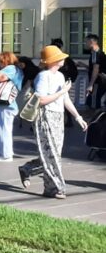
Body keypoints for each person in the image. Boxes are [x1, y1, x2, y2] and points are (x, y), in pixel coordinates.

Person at [19, 44, 88, 199]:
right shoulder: (43, 76)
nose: (63, 59)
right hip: (45, 116)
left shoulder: (60, 76)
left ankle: (28, 169)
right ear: (52, 60)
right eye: (60, 57)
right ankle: (56, 188)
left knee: (54, 154)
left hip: (57, 116)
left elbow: (65, 99)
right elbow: (41, 100)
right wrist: (62, 91)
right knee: (51, 154)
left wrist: (78, 117)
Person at [52, 39, 79, 127]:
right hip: (64, 81)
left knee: (59, 100)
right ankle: (69, 120)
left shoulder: (57, 57)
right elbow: (74, 70)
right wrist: (70, 80)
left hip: (60, 81)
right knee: (64, 100)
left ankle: (64, 120)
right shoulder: (66, 57)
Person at [86, 35, 106, 110]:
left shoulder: (95, 53)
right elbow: (95, 68)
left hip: (97, 82)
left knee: (94, 105)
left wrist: (91, 85)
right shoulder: (99, 52)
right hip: (100, 81)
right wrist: (84, 65)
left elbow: (96, 69)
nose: (85, 44)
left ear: (91, 42)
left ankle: (94, 121)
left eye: (86, 42)